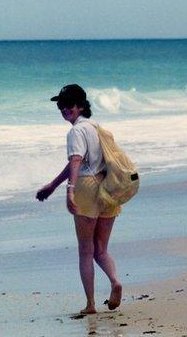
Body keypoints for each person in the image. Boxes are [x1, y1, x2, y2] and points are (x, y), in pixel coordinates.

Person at [36, 84, 123, 315]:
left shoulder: (75, 132)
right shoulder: (95, 128)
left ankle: (91, 305)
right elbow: (80, 160)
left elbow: (76, 160)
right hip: (107, 187)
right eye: (61, 105)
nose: (64, 109)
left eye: (69, 104)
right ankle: (115, 281)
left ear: (81, 106)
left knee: (86, 250)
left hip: (86, 187)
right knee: (101, 249)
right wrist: (53, 185)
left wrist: (70, 189)